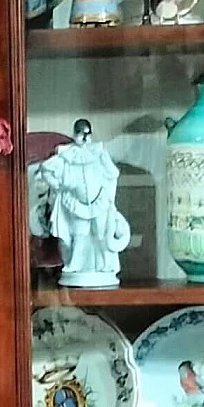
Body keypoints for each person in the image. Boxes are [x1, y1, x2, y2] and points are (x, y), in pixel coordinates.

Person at [37, 118, 130, 286]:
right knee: (79, 235)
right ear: (75, 135)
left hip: (99, 202)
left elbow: (112, 173)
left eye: (87, 134)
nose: (84, 138)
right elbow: (46, 169)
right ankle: (75, 266)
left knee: (100, 234)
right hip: (74, 204)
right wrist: (59, 185)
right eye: (80, 134)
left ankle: (105, 266)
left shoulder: (98, 152)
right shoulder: (67, 154)